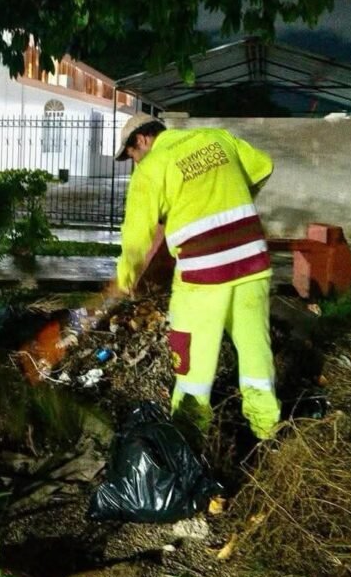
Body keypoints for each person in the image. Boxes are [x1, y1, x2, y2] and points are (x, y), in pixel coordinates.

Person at [113, 113, 280, 442]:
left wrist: (125, 277)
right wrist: (230, 196)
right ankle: (267, 430)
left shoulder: (152, 167)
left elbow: (136, 235)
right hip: (252, 261)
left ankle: (189, 435)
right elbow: (263, 166)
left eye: (132, 154)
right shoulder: (216, 138)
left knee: (192, 359)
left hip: (203, 274)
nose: (134, 161)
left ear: (142, 140)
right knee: (254, 348)